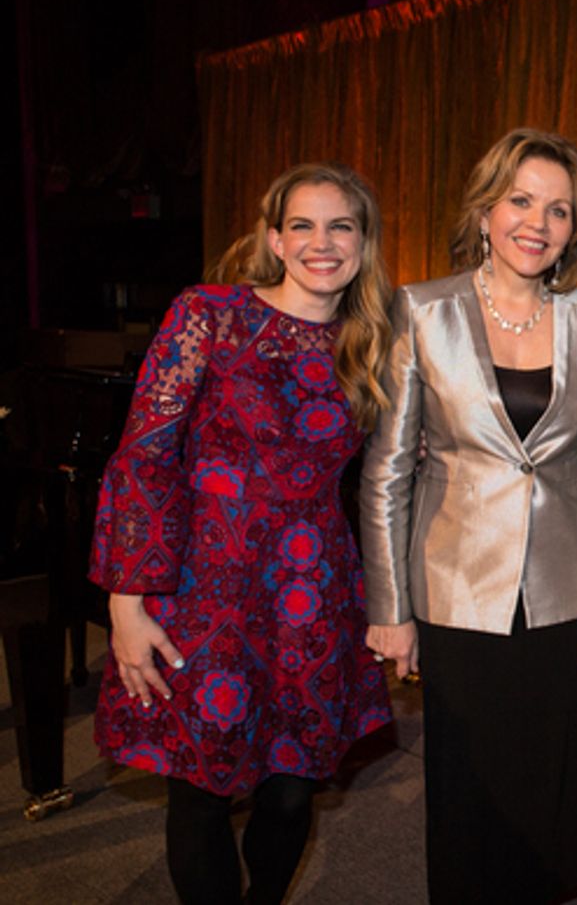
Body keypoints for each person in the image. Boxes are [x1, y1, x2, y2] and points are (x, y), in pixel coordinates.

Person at [90, 162, 395, 904]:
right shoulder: (210, 315)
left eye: (341, 226)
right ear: (273, 238)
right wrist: (127, 602)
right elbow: (144, 455)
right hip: (206, 589)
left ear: (363, 242)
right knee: (199, 788)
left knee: (292, 790)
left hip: (313, 597)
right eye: (303, 225)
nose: (322, 243)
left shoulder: (376, 341)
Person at [358, 128, 577, 904]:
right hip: (455, 588)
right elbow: (386, 467)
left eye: (557, 209)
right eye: (520, 200)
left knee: (552, 775)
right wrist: (391, 607)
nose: (536, 223)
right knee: (466, 780)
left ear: (573, 229)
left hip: (564, 588)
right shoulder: (420, 308)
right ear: (485, 210)